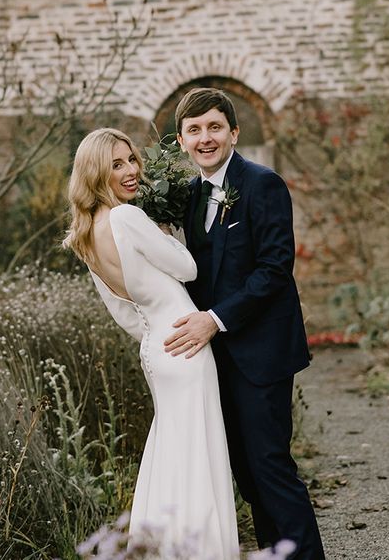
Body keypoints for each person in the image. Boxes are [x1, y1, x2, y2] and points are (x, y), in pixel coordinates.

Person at [63, 128, 239, 559]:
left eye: (131, 160)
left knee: (172, 452)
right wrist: (164, 231)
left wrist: (156, 335)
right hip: (186, 344)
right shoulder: (126, 217)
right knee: (197, 453)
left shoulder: (85, 235)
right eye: (116, 164)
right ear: (94, 173)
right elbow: (188, 267)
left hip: (158, 349)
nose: (130, 171)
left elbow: (124, 312)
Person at [165, 88, 325, 560]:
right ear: (181, 141)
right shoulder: (188, 198)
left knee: (272, 468)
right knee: (247, 476)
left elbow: (275, 267)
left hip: (263, 352)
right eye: (194, 130)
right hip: (215, 360)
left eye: (214, 127)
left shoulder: (263, 183)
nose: (205, 138)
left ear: (234, 132)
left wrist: (214, 320)